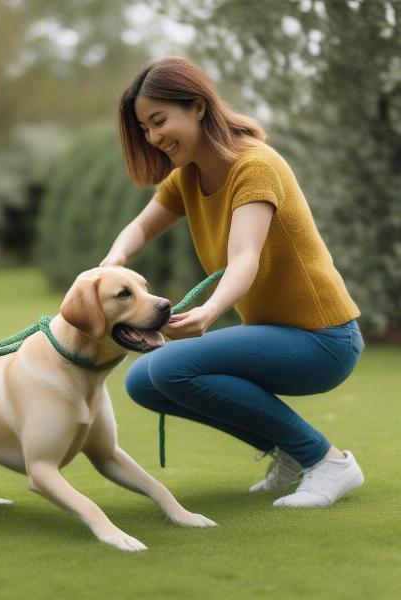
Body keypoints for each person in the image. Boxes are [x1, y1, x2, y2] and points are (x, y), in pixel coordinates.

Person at [100, 56, 365, 508]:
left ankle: (326, 462)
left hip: (325, 340)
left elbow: (245, 257)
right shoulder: (187, 177)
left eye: (160, 121)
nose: (153, 137)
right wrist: (111, 262)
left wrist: (210, 311)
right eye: (145, 128)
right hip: (279, 334)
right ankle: (288, 452)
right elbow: (140, 229)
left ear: (198, 107)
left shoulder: (254, 166)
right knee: (142, 379)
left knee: (167, 366)